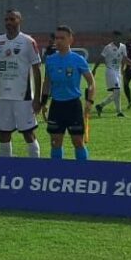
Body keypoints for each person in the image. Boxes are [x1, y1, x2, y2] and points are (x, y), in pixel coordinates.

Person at [0, 9, 43, 158]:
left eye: (12, 19)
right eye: (6, 20)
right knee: (3, 134)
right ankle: (5, 169)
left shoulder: (28, 41)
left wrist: (37, 98)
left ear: (20, 20)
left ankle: (34, 167)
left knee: (28, 133)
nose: (9, 23)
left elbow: (37, 70)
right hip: (4, 97)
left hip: (23, 97)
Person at [40, 26, 95, 160]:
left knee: (78, 142)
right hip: (56, 106)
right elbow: (47, 83)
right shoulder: (50, 60)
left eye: (62, 38)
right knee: (55, 142)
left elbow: (91, 82)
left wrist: (89, 101)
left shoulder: (78, 59)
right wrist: (44, 103)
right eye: (56, 38)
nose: (58, 41)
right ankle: (57, 173)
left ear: (70, 39)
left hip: (73, 105)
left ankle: (82, 173)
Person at [93, 30, 131, 117]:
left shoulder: (123, 47)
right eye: (114, 37)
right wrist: (94, 69)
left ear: (120, 37)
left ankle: (100, 106)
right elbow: (100, 58)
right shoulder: (108, 47)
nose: (115, 38)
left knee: (117, 93)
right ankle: (118, 112)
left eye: (117, 37)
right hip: (110, 71)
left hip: (117, 72)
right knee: (117, 90)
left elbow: (125, 59)